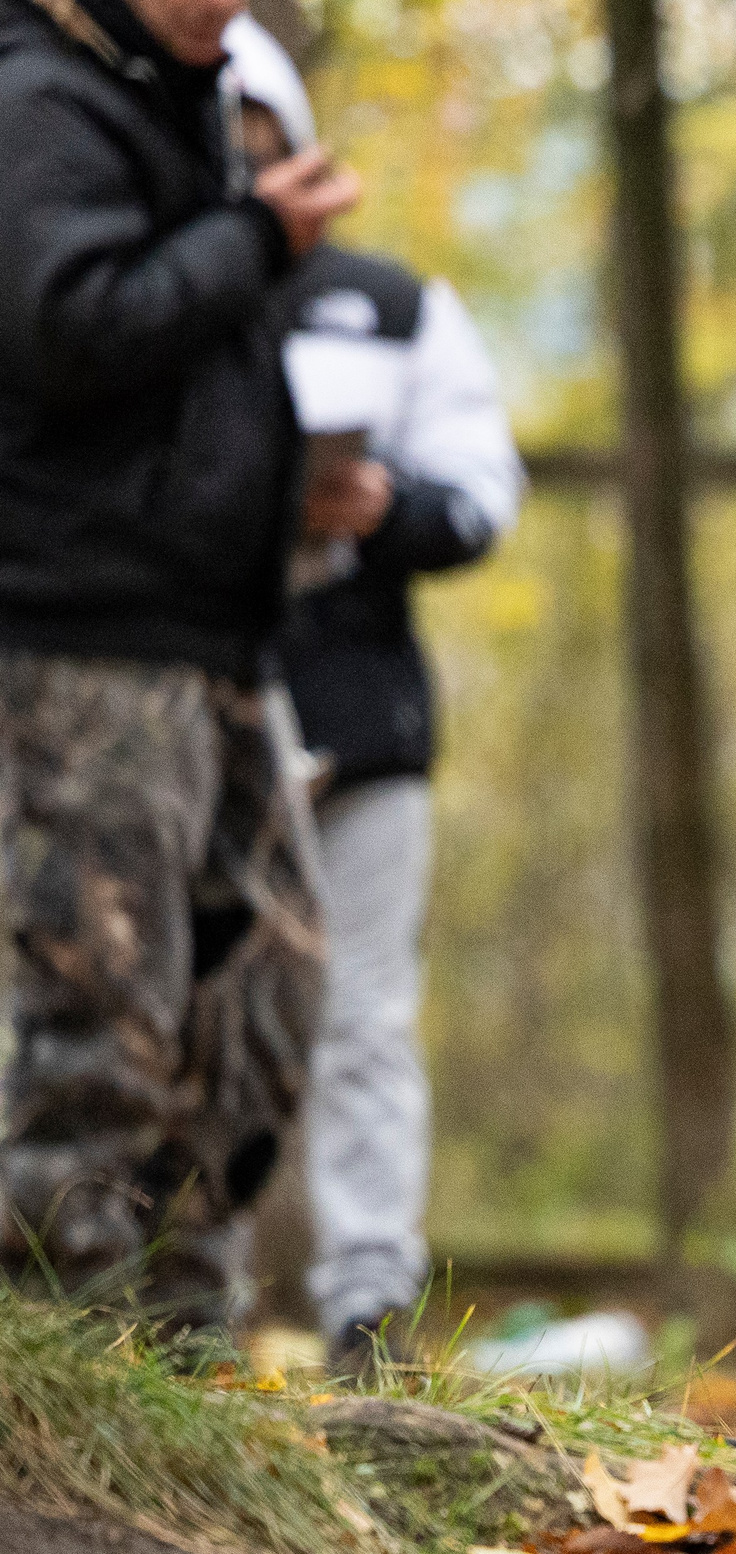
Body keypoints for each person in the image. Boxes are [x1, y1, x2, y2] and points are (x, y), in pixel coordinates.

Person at [0, 0, 359, 1333]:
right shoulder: (39, 103)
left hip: (223, 633)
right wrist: (257, 234)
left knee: (267, 996)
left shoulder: (190, 101)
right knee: (107, 1016)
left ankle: (182, 1353)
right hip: (86, 633)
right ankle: (64, 1364)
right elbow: (68, 321)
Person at [225, 17, 523, 1373]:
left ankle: (365, 1301)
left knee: (362, 1015)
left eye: (260, 138)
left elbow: (479, 496)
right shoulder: (131, 288)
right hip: (187, 699)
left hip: (361, 717)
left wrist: (381, 506)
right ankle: (176, 1293)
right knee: (195, 1009)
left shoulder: (393, 303)